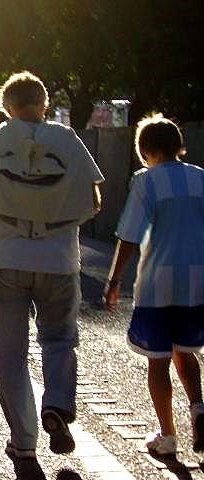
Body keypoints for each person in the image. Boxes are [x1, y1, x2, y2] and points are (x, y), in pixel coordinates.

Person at [0, 71, 104, 460]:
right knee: (59, 340)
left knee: (9, 353)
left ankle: (23, 440)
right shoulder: (68, 140)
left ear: (7, 108)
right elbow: (92, 203)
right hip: (59, 261)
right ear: (45, 103)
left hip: (7, 260)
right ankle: (57, 402)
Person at [103, 114, 204, 456]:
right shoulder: (200, 178)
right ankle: (199, 410)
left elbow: (130, 234)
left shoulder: (147, 180)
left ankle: (167, 437)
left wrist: (114, 279)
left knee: (158, 360)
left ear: (144, 150)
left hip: (158, 280)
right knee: (186, 351)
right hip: (196, 281)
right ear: (179, 146)